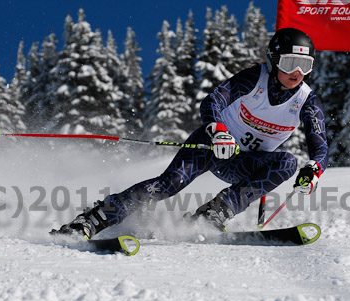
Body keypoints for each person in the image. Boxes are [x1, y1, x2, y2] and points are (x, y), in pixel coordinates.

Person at [52, 27, 328, 239]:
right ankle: (92, 220)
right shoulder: (255, 78)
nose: (298, 73)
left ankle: (212, 214)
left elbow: (320, 147)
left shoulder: (306, 100)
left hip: (245, 164)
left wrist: (314, 168)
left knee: (288, 163)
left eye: (306, 66)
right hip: (212, 147)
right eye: (291, 64)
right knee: (169, 185)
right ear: (273, 60)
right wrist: (218, 131)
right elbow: (213, 101)